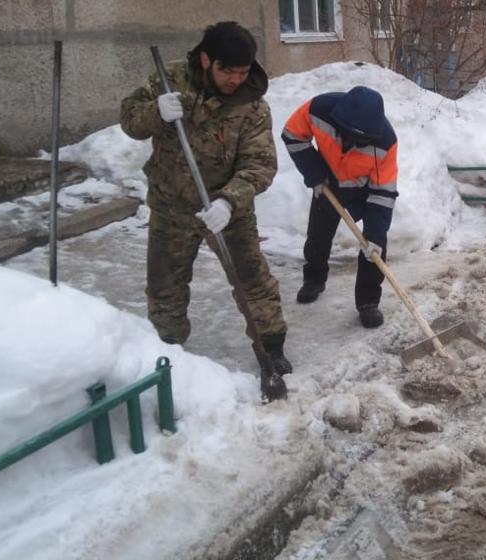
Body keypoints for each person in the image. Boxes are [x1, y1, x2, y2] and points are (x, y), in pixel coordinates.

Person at [119, 21, 290, 398]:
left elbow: (260, 164)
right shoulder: (170, 81)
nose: (235, 80)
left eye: (243, 72)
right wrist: (154, 113)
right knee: (165, 285)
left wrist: (230, 200)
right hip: (171, 204)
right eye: (227, 71)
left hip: (226, 207)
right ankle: (168, 350)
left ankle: (271, 350)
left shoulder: (252, 106)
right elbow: (129, 119)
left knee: (252, 280)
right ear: (206, 59)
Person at [281, 86, 398, 329]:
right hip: (328, 180)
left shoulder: (385, 142)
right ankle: (314, 279)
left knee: (374, 246)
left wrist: (375, 234)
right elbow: (292, 133)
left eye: (362, 139)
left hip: (366, 191)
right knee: (318, 235)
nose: (355, 141)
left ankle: (368, 302)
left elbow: (383, 193)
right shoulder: (319, 110)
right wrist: (314, 171)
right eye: (351, 134)